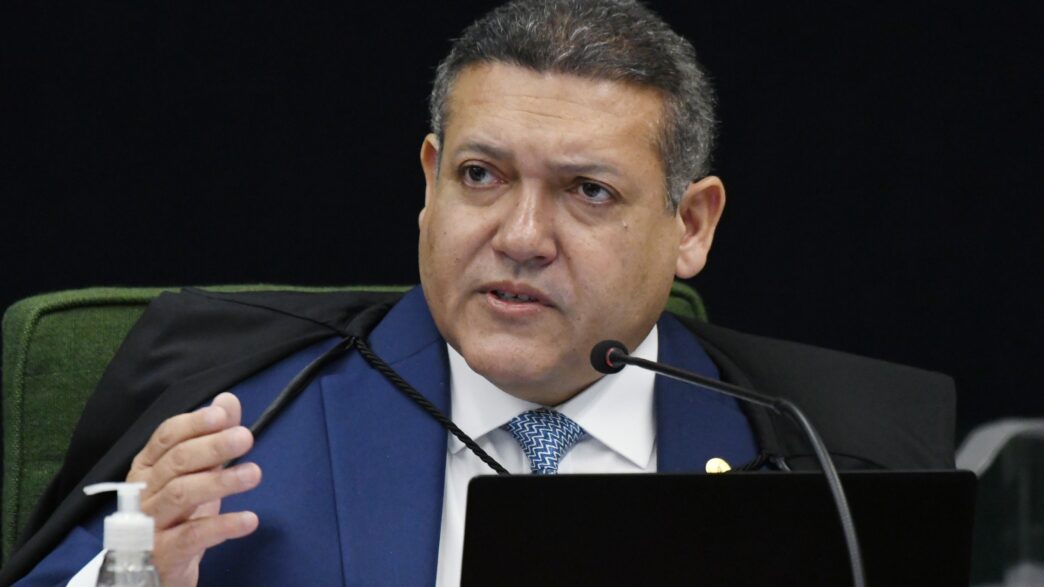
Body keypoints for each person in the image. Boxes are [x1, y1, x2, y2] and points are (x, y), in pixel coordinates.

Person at [4, 0, 955, 585]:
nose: (521, 236)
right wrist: (134, 575)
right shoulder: (247, 424)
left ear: (692, 225)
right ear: (429, 183)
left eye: (588, 191)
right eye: (482, 176)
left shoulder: (824, 460)